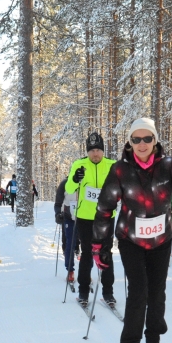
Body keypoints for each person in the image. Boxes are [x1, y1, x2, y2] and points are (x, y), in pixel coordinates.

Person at [92, 118, 172, 343]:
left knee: (157, 292)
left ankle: (153, 339)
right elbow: (104, 209)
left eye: (147, 138)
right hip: (131, 240)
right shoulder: (120, 170)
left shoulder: (169, 166)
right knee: (139, 290)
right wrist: (100, 246)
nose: (142, 144)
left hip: (161, 239)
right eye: (136, 139)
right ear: (130, 142)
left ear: (155, 140)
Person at [65, 132, 117, 307]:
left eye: (98, 150)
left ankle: (108, 293)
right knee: (87, 253)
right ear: (87, 151)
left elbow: (122, 186)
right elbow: (69, 188)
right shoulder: (79, 165)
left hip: (107, 217)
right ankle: (83, 292)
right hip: (85, 217)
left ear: (103, 151)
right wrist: (74, 178)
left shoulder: (111, 165)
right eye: (92, 150)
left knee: (106, 253)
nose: (95, 154)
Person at [54, 177, 77, 283]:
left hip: (85, 218)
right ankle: (70, 270)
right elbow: (58, 203)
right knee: (69, 243)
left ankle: (86, 272)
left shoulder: (88, 181)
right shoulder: (65, 183)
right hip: (68, 217)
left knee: (88, 245)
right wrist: (58, 213)